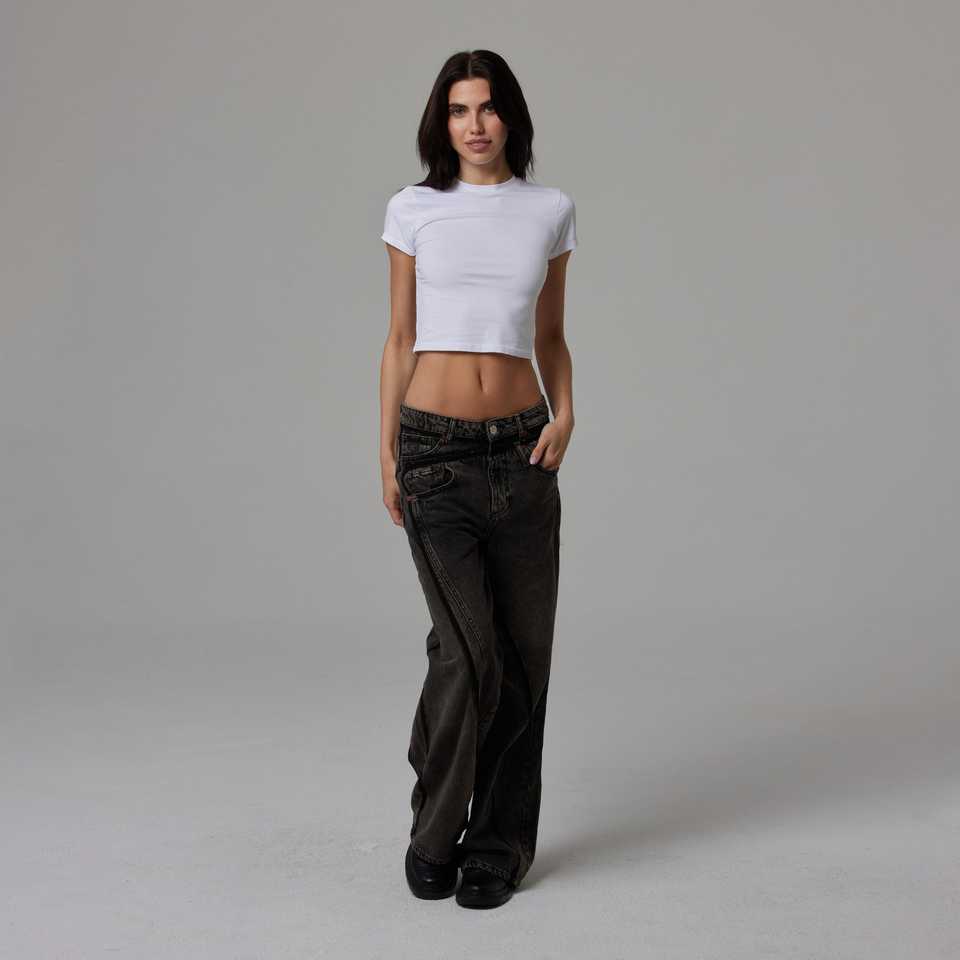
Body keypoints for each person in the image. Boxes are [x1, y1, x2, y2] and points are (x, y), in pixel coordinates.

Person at [379, 49, 577, 909]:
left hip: (523, 452)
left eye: (489, 107)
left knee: (523, 660)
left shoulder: (549, 210)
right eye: (459, 110)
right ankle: (435, 827)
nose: (475, 124)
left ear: (510, 117)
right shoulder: (413, 208)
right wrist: (386, 453)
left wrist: (567, 413)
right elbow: (399, 339)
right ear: (442, 122)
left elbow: (552, 336)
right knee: (467, 651)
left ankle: (499, 846)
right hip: (434, 451)